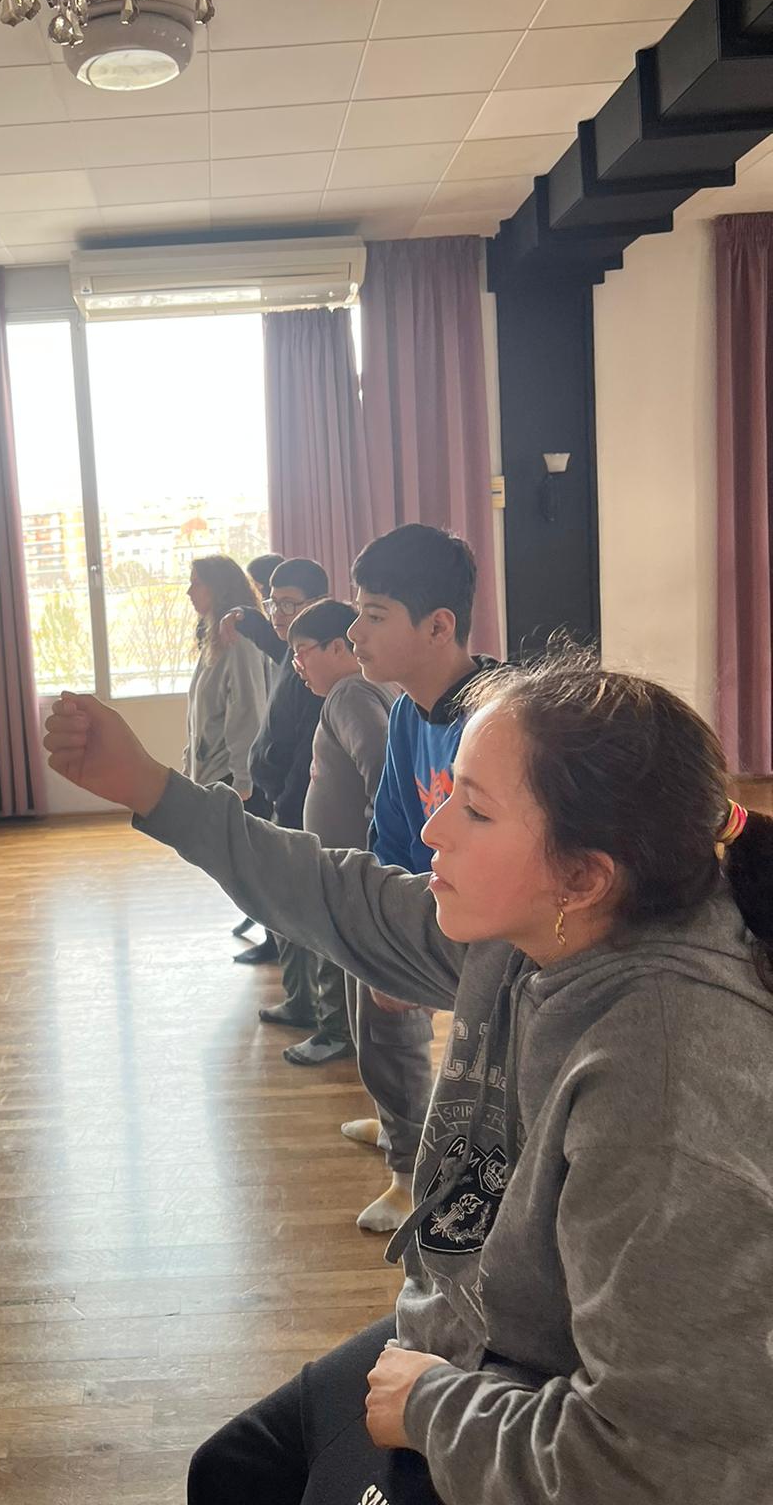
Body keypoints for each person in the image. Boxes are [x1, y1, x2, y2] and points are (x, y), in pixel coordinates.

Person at [43, 652, 773, 1505]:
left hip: (526, 1412)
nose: (433, 831)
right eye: (450, 792)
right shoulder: (539, 927)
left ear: (583, 875)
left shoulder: (665, 1090)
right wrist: (151, 788)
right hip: (463, 1335)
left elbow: (664, 1467)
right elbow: (341, 898)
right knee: (230, 1470)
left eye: (475, 810)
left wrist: (431, 1405)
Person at [343, 524, 498, 1230]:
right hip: (437, 908)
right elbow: (395, 830)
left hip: (496, 933)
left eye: (375, 615)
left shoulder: (499, 717)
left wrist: (419, 948)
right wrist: (388, 937)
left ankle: (433, 1178)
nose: (354, 632)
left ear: (438, 626)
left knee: (485, 1076)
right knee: (368, 978)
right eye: (359, 611)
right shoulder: (408, 710)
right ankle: (406, 1147)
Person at [286, 598, 396, 1066]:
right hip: (349, 859)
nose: (297, 664)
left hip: (351, 863)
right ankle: (345, 1032)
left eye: (302, 651)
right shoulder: (366, 687)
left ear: (337, 647)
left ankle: (337, 1034)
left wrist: (377, 838)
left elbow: (379, 761)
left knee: (339, 949)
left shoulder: (349, 693)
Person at [232, 559, 330, 1023]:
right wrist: (250, 622)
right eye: (273, 603)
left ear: (316, 603)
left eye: (289, 604)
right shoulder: (294, 650)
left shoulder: (318, 668)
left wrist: (286, 802)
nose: (278, 613)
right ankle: (301, 1001)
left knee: (294, 908)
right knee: (284, 905)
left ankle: (309, 1007)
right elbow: (275, 645)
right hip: (282, 801)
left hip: (294, 809)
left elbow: (309, 748)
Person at [231, 552, 285, 944]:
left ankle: (273, 934)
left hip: (279, 777)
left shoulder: (282, 643)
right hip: (268, 765)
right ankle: (261, 919)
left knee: (268, 856)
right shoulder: (263, 635)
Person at [183, 557, 268, 803]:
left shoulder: (238, 641)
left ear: (218, 587)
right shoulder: (213, 640)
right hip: (210, 776)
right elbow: (200, 718)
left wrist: (243, 781)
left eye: (196, 583)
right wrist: (188, 766)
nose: (189, 592)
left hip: (232, 782)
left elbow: (248, 712)